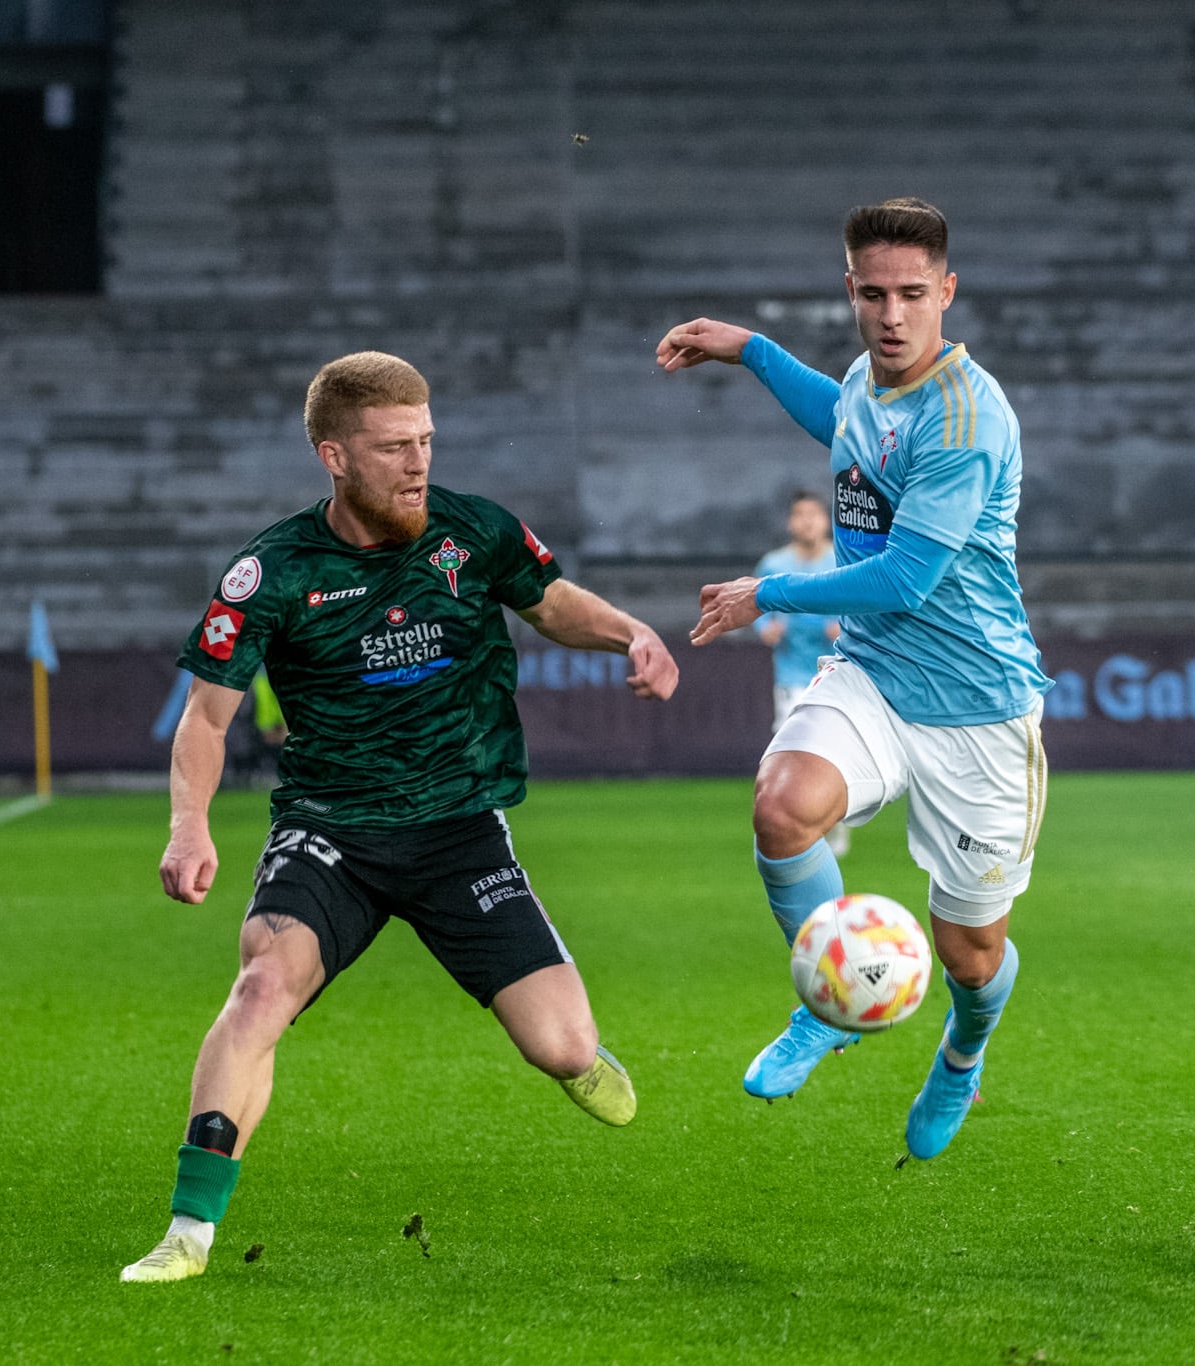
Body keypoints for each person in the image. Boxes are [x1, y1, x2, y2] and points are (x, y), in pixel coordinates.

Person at [121, 351, 679, 1283]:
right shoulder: (271, 571)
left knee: (563, 1044)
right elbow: (207, 715)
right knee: (261, 990)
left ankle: (578, 1054)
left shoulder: (473, 531)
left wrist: (632, 629)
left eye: (425, 441)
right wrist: (189, 826)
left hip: (460, 829)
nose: (417, 464)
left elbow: (552, 604)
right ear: (333, 455)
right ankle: (188, 1231)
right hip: (332, 830)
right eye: (392, 448)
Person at [657, 197, 1050, 1162]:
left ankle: (963, 1054)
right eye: (873, 294)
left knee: (970, 954)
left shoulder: (966, 417)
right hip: (873, 673)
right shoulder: (869, 383)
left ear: (947, 293)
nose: (892, 315)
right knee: (784, 807)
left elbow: (909, 577)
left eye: (914, 294)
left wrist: (769, 591)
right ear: (850, 293)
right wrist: (748, 349)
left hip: (978, 709)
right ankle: (829, 1005)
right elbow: (841, 419)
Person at [753, 490, 848, 855]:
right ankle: (796, 822)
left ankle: (833, 819)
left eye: (814, 514)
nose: (807, 521)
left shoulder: (843, 558)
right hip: (792, 673)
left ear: (826, 520)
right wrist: (766, 630)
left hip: (838, 671)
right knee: (795, 750)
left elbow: (868, 604)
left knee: (836, 749)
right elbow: (758, 606)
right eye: (799, 514)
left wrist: (847, 625)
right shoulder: (773, 563)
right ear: (791, 522)